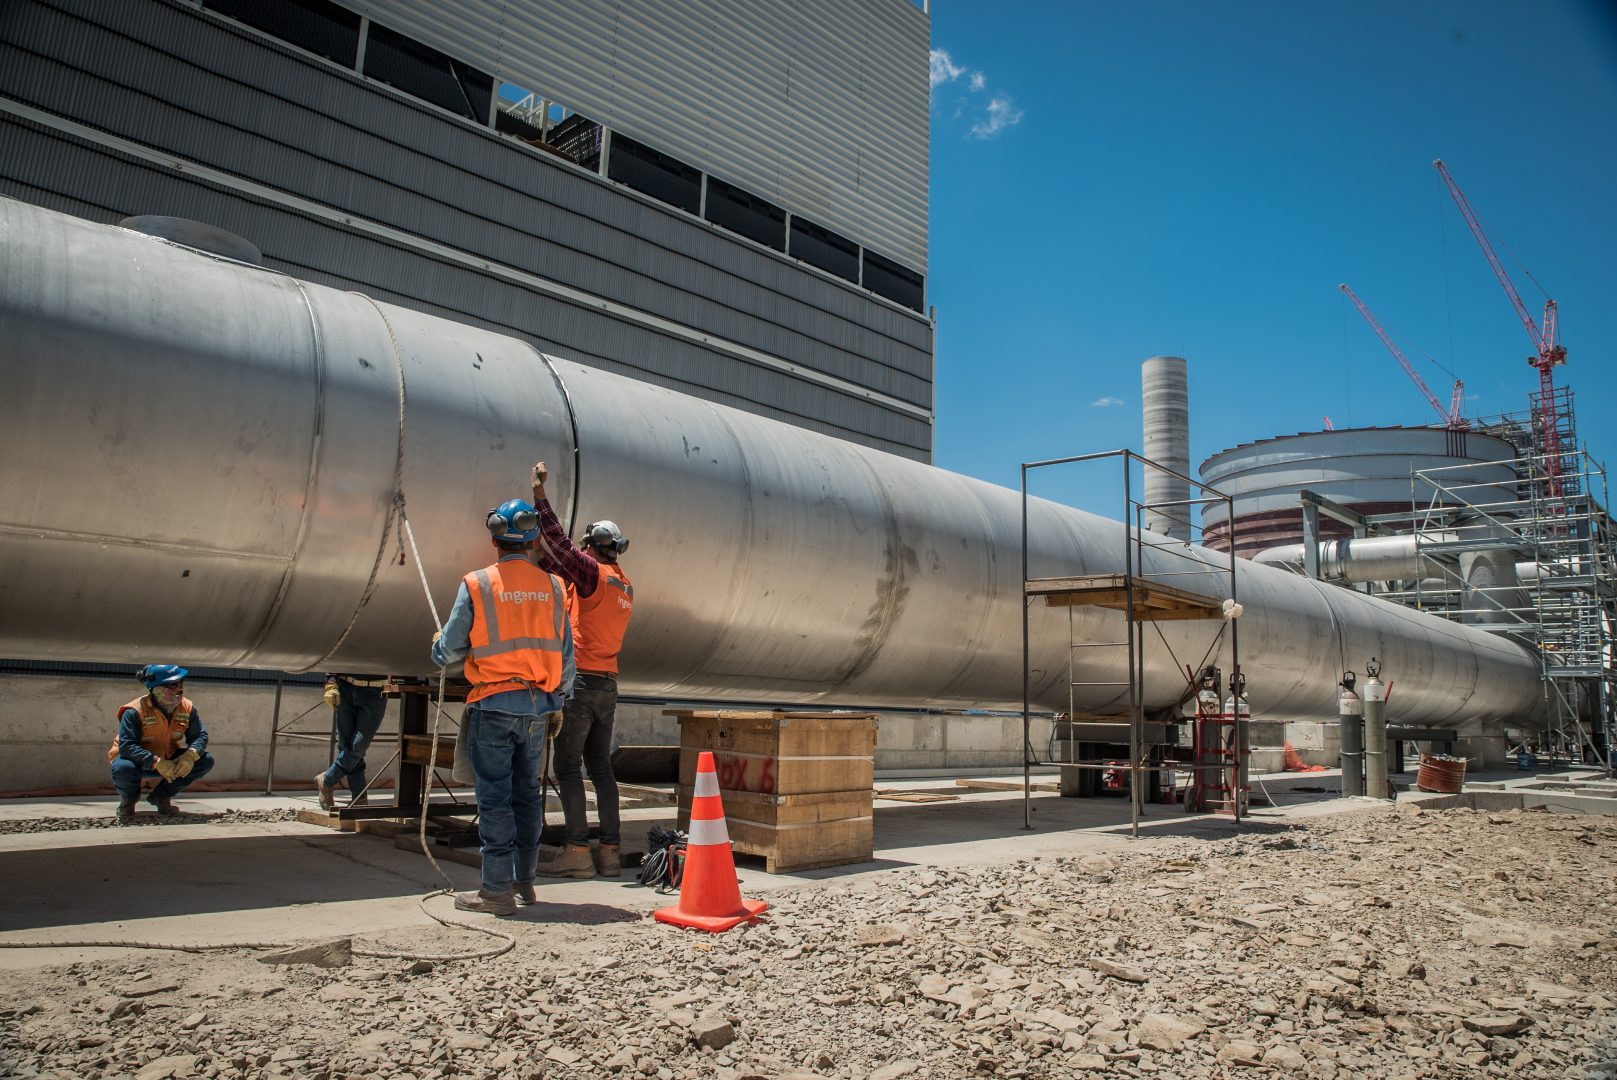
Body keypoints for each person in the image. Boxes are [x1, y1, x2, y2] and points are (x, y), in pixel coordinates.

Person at [432, 498, 574, 915]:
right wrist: (558, 701)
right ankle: (524, 883)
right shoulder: (553, 587)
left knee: (494, 799)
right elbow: (566, 654)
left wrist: (438, 649)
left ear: (495, 541)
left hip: (493, 706)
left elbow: (451, 648)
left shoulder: (478, 583)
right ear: (533, 540)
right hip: (536, 709)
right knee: (527, 797)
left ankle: (495, 890)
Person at [529, 461, 635, 879]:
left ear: (593, 546)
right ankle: (609, 851)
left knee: (568, 766)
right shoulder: (622, 583)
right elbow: (564, 568)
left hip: (582, 682)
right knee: (600, 766)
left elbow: (559, 546)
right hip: (607, 685)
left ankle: (577, 851)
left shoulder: (591, 574)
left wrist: (539, 496)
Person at [108, 665, 214, 823]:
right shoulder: (134, 711)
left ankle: (161, 797)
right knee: (123, 768)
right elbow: (127, 746)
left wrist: (190, 755)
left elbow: (199, 735)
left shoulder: (187, 708)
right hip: (136, 761)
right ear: (155, 688)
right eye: (172, 684)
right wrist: (156, 762)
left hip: (167, 756)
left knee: (205, 760)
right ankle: (128, 801)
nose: (179, 688)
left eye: (180, 683)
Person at [313, 674, 389, 811]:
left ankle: (327, 779)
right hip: (345, 686)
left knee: (358, 747)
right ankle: (359, 798)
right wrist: (330, 683)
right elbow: (335, 653)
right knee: (346, 746)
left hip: (375, 691)